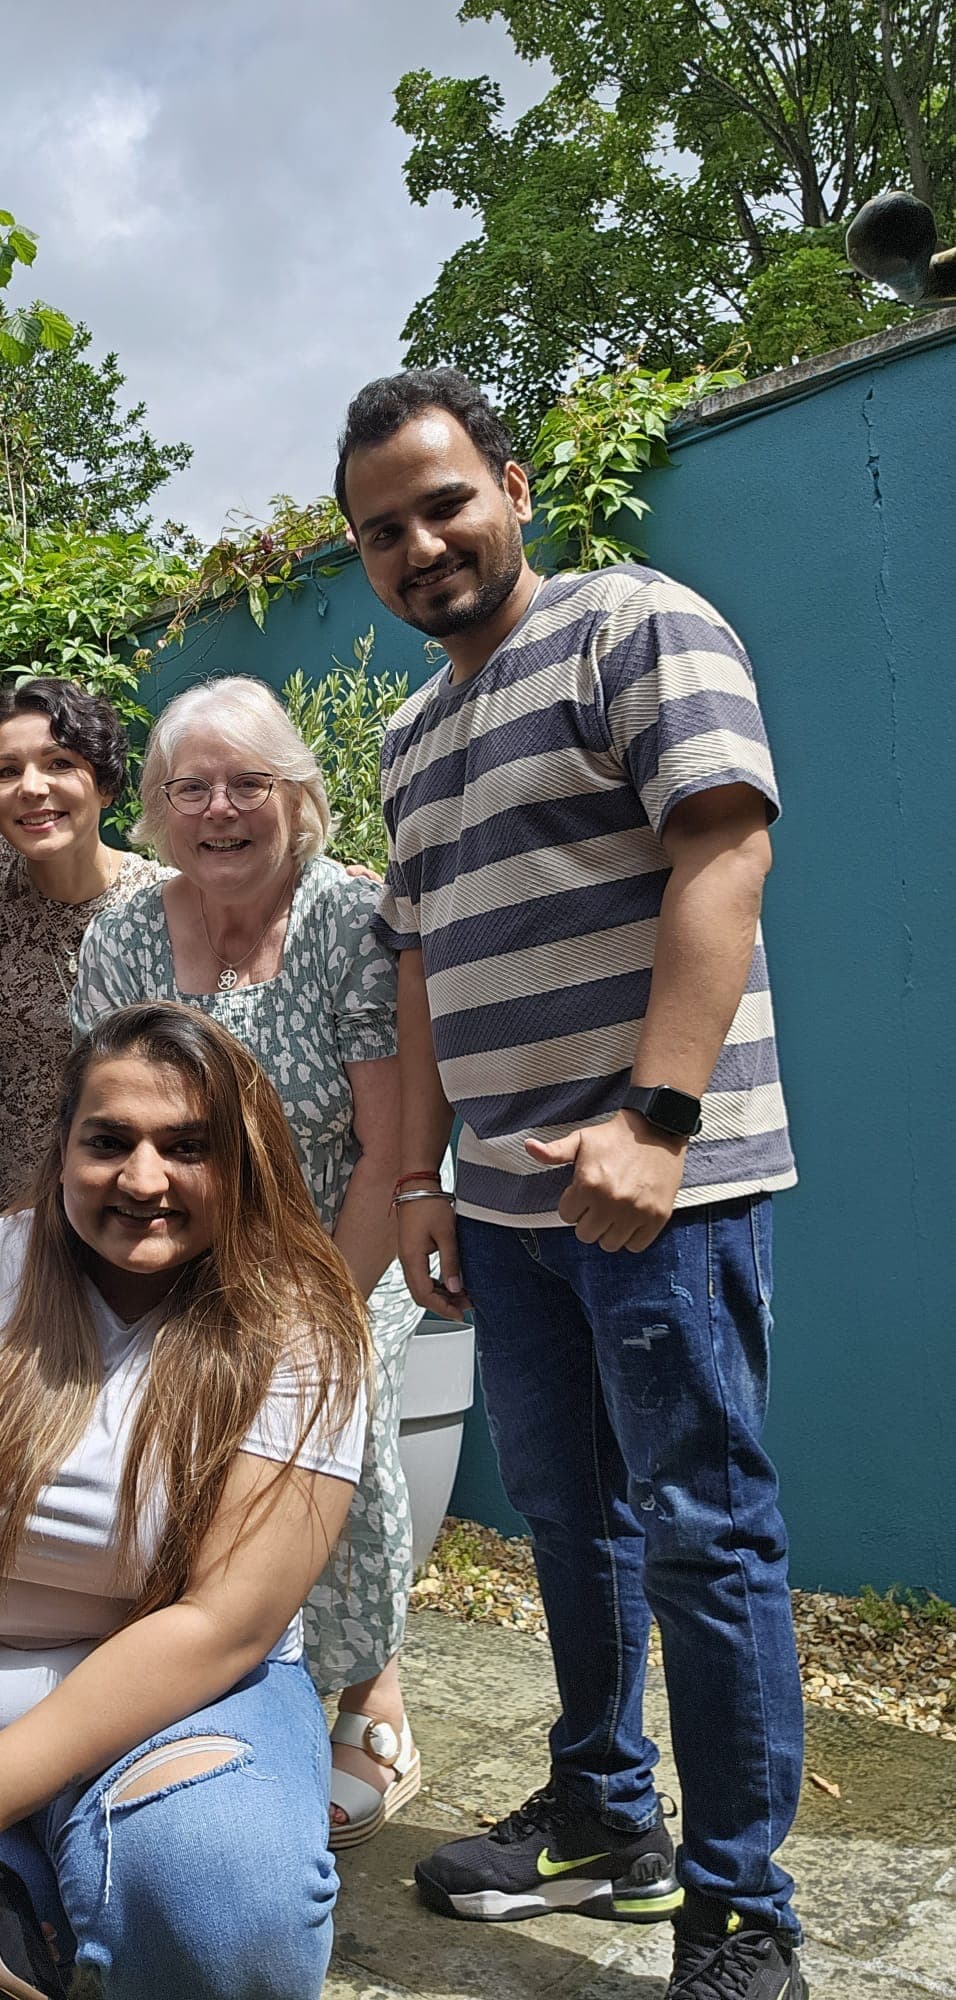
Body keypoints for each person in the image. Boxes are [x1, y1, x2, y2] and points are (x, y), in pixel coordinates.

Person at [336, 365, 805, 2000]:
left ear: (515, 489)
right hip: (514, 1213)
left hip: (664, 1186)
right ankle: (609, 1815)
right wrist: (420, 1186)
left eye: (444, 502)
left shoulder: (633, 626)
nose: (419, 545)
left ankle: (741, 1914)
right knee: (568, 1525)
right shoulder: (408, 735)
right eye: (381, 530)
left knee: (704, 1531)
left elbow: (725, 843)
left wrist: (657, 1120)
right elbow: (419, 972)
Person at [0, 1002, 370, 2000]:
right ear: (62, 1151)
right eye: (110, 1141)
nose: (143, 1177)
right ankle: (23, 1905)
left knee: (226, 1904)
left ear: (242, 1161)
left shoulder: (299, 1329)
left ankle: (79, 1897)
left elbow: (222, 1626)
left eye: (186, 1146)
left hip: (179, 1716)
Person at [70, 678, 427, 1850]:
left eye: (249, 784)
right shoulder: (124, 929)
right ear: (163, 813)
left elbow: (387, 1145)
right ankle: (195, 1654)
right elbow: (98, 1118)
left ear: (301, 798)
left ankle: (370, 1690)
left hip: (336, 1241)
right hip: (170, 1245)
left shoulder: (344, 922)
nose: (221, 809)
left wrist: (319, 1312)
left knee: (336, 1425)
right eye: (193, 787)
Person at [0, 678, 167, 1225]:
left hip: (104, 1207)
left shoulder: (161, 906)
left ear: (105, 785)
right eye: (7, 771)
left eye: (59, 763)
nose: (31, 787)